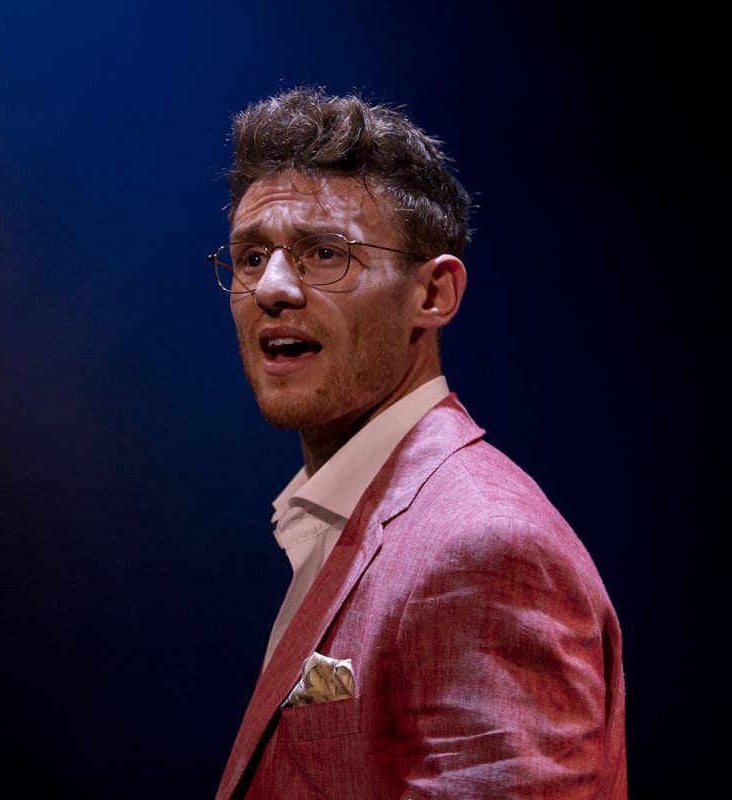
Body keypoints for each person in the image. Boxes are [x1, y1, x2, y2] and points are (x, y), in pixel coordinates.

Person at [210, 88, 626, 800]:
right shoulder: (378, 515)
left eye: (323, 252)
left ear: (433, 295)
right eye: (251, 257)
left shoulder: (482, 545)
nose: (272, 287)